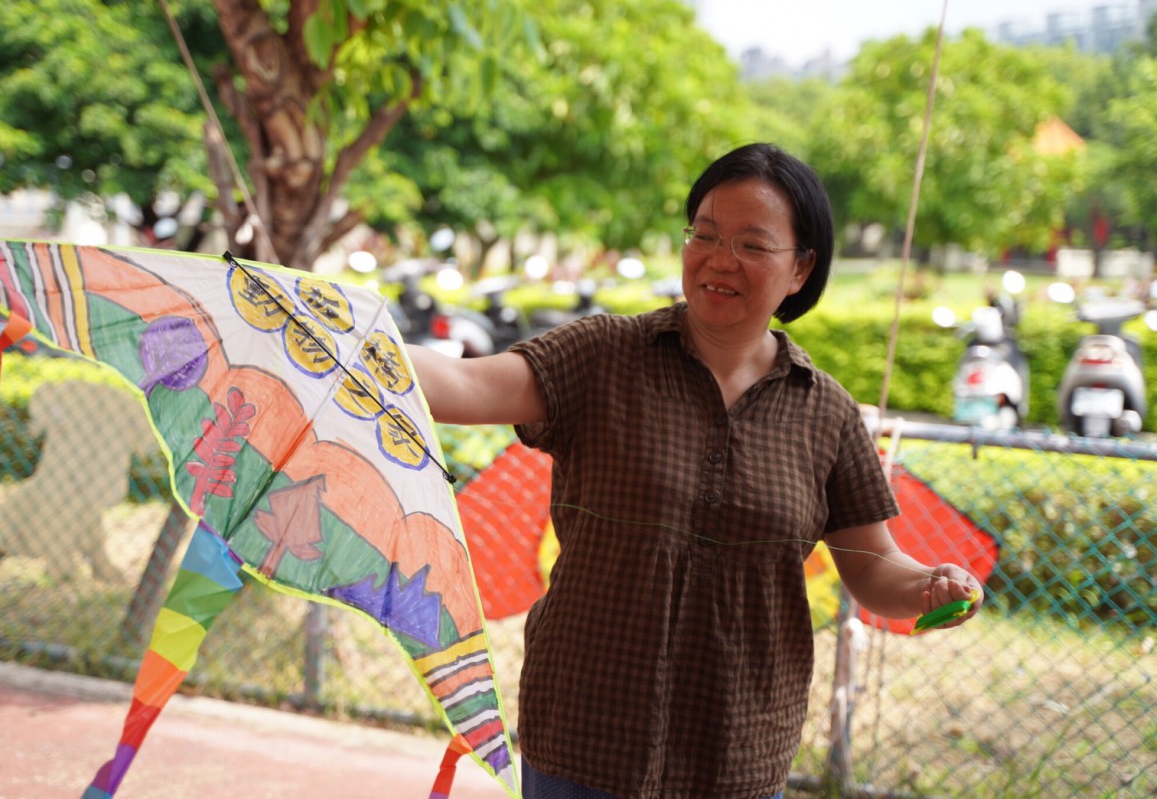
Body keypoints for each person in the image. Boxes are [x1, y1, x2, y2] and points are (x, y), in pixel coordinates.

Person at [407, 142, 982, 799]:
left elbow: (874, 565)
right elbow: (465, 383)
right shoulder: (603, 355)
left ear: (801, 268)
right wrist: (346, 336)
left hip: (737, 755)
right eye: (704, 234)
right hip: (583, 740)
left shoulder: (826, 412)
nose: (719, 259)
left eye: (751, 244)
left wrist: (928, 585)